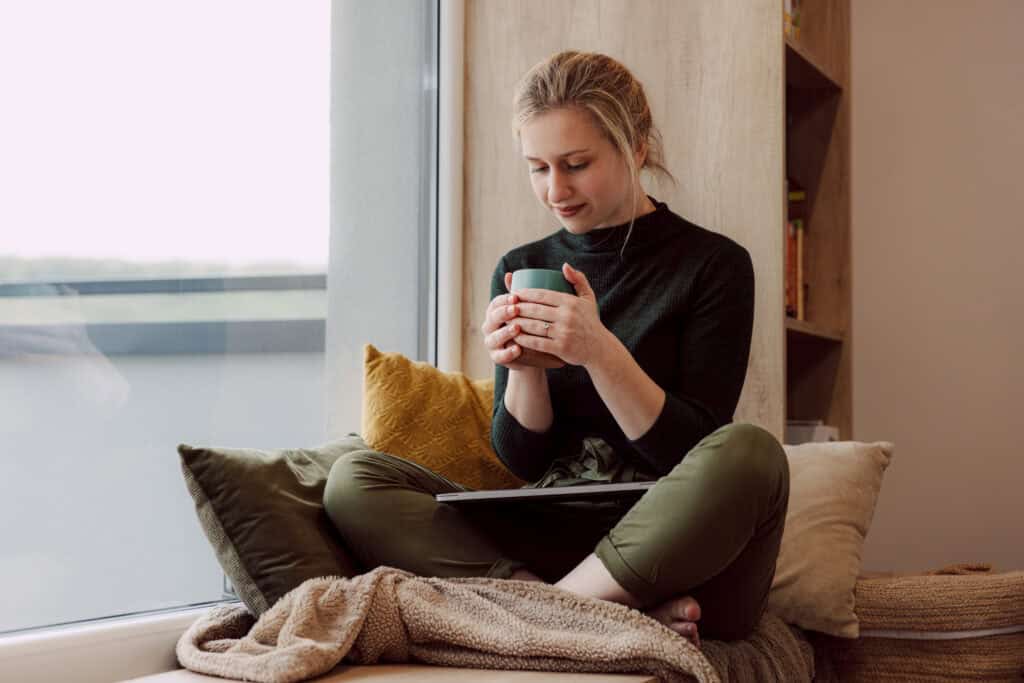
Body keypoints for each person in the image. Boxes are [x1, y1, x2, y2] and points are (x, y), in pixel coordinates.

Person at [323, 50, 789, 648]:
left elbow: (688, 452)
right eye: (537, 167)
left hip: (675, 546)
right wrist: (524, 370)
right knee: (353, 478)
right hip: (552, 537)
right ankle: (571, 609)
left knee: (751, 453)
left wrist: (599, 350)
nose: (555, 190)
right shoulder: (522, 269)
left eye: (575, 164)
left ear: (637, 146)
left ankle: (542, 612)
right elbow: (524, 461)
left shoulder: (713, 265)